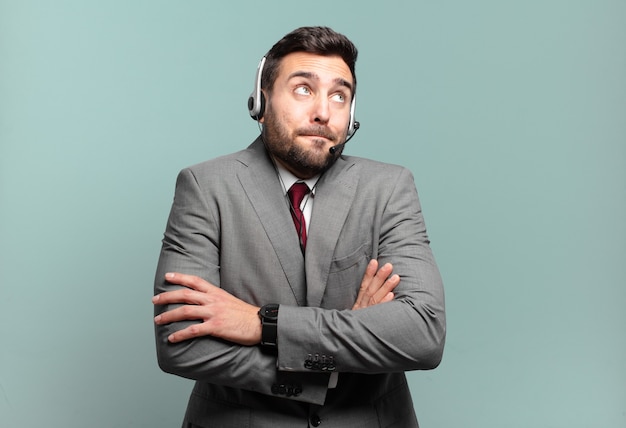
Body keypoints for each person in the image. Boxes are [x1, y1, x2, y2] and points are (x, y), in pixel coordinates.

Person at [153, 26, 445, 428]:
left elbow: (423, 334)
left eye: (339, 96)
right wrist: (343, 354)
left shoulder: (389, 188)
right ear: (262, 99)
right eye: (304, 89)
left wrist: (262, 324)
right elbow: (181, 344)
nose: (323, 111)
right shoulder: (205, 187)